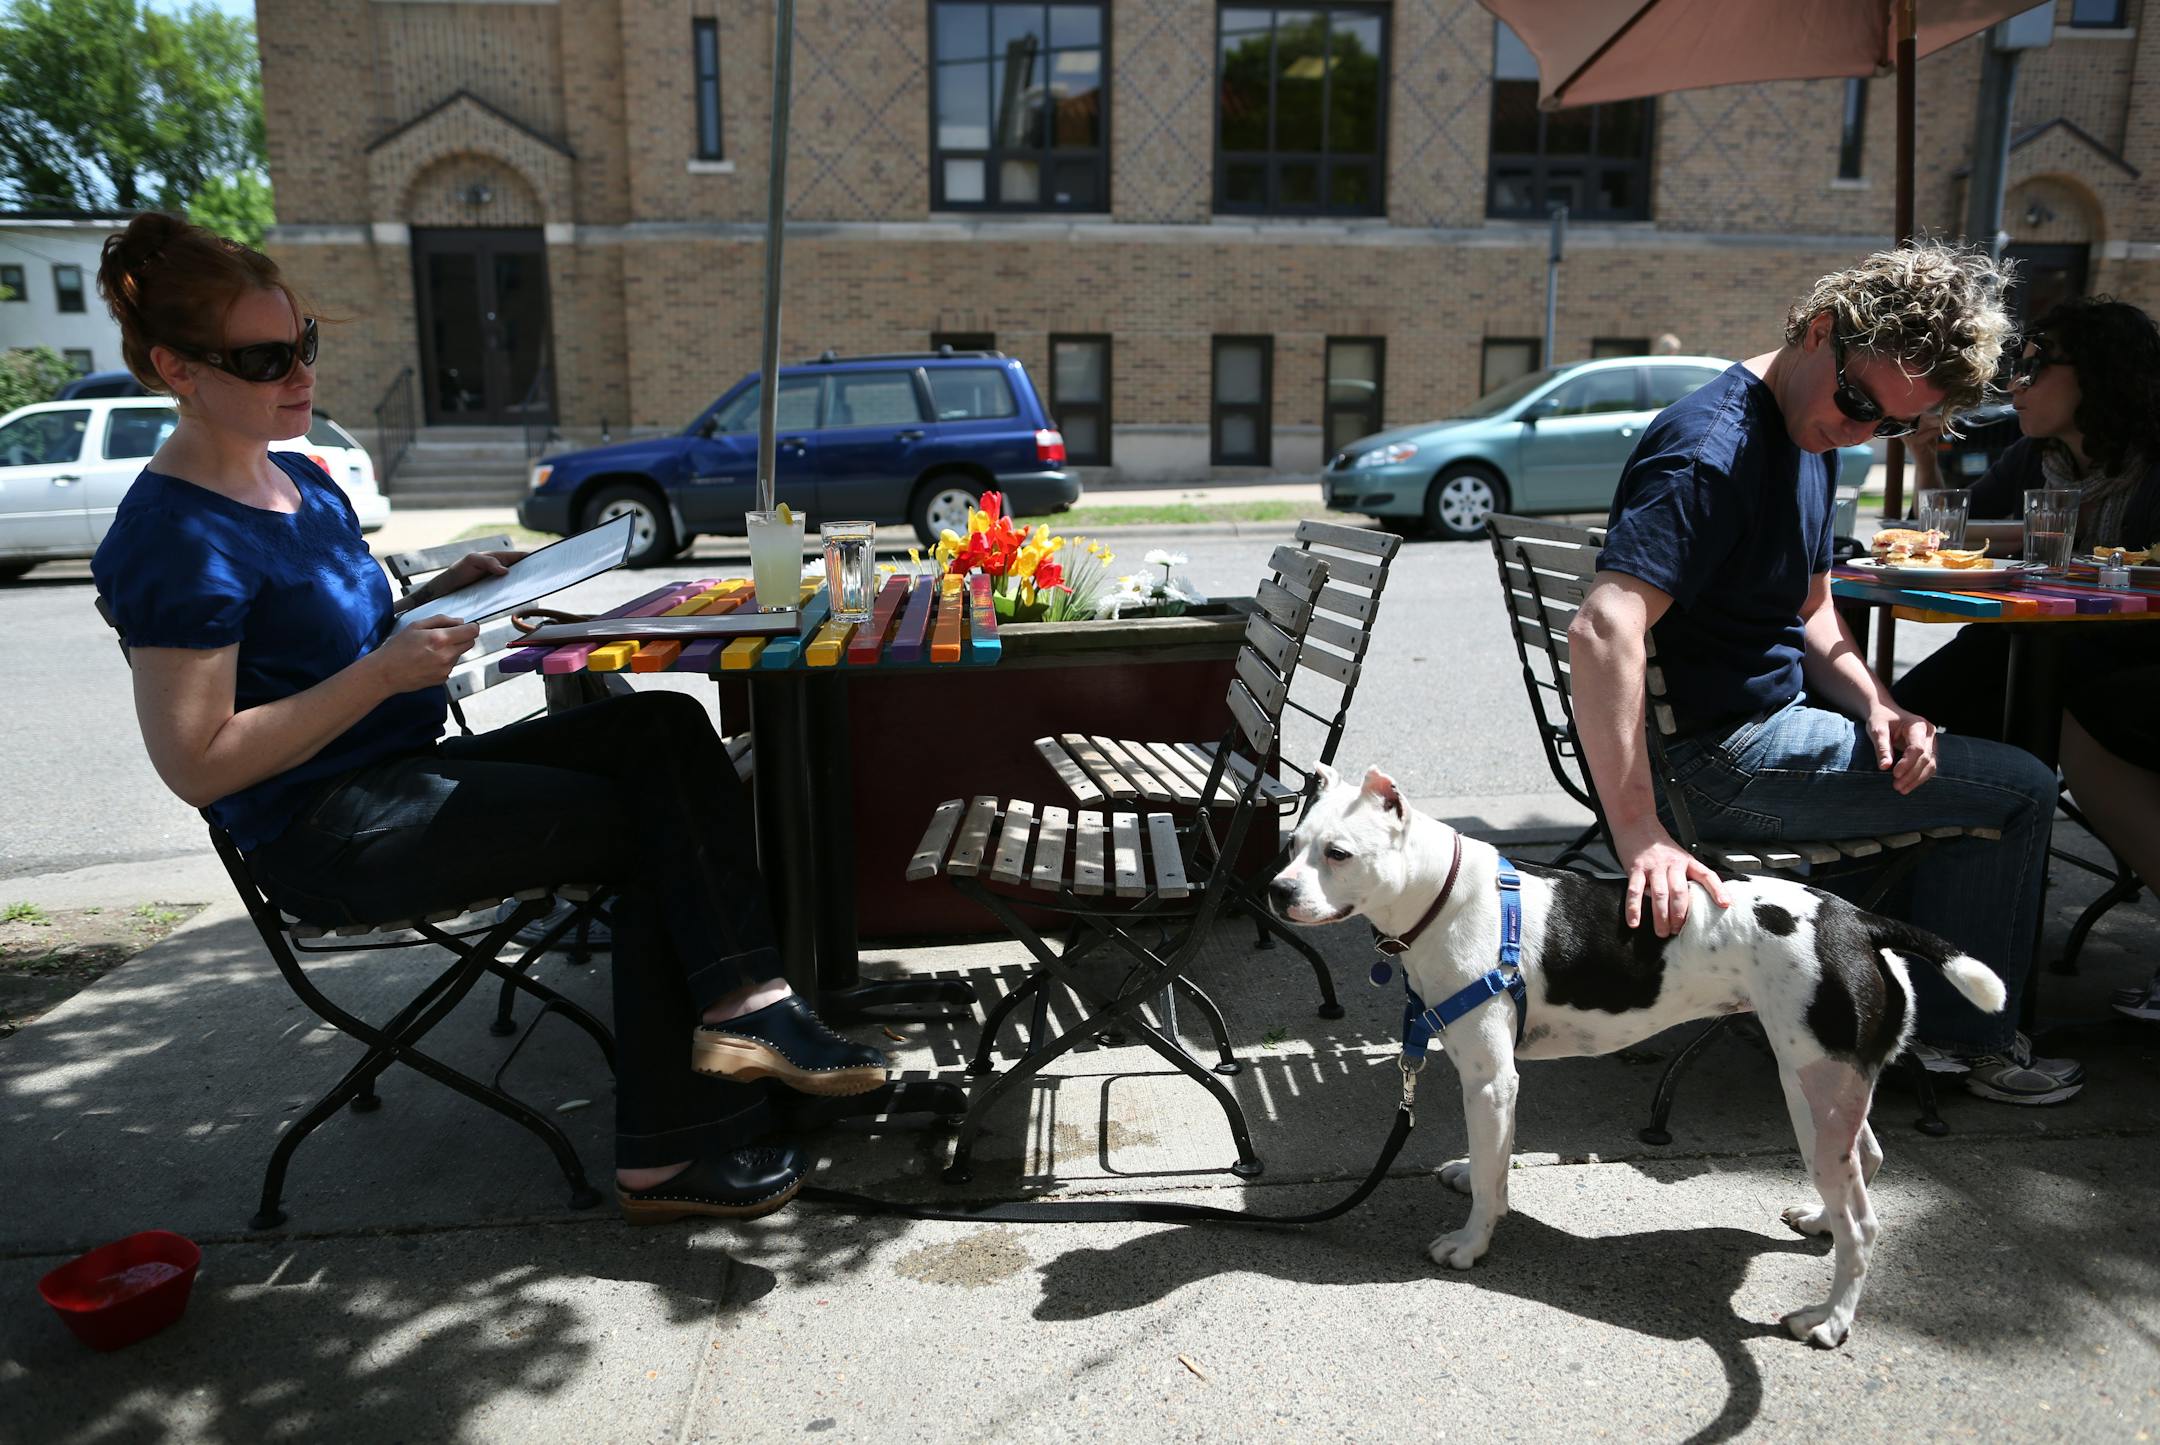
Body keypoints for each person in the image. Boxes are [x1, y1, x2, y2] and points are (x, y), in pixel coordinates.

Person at [87, 212, 885, 1220]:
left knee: (666, 733)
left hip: (401, 772)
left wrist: (442, 596)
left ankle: (750, 1008)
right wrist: (384, 672)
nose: (300, 373)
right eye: (264, 356)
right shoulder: (173, 535)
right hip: (325, 829)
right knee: (656, 825)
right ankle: (672, 1149)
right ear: (176, 366)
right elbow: (198, 762)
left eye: (307, 344)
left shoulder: (301, 478)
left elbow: (344, 641)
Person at [1568, 241, 2083, 1105]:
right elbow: (1602, 627)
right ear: (1819, 329)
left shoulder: (1807, 429)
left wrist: (1881, 705)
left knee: (1942, 750)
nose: (1858, 431)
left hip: (1753, 731)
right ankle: (1964, 1040)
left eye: (1888, 425)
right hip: (1721, 757)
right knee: (2024, 787)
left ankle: (1857, 983)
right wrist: (1641, 835)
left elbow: (1811, 608)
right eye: (1856, 402)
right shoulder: (1714, 449)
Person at [1897, 296, 2160, 1021]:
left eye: (2036, 365)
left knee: (2062, 708)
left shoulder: (2153, 466)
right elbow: (1960, 536)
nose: (2016, 383)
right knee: (1910, 710)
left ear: (2100, 375)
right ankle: (1868, 889)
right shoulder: (2035, 457)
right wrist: (1924, 455)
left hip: (2132, 668)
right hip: (2043, 651)